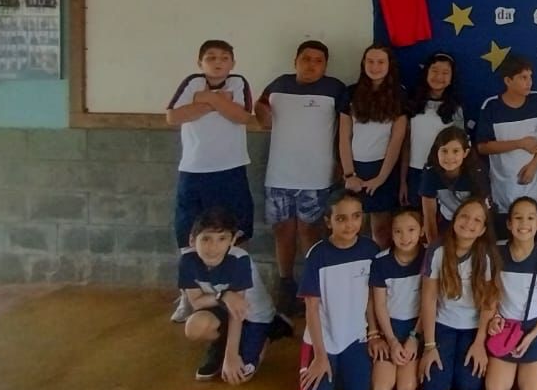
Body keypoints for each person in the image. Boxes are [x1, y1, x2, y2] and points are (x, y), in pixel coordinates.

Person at [255, 40, 348, 316]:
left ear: (326, 66)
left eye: (318, 61)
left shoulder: (335, 89)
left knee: (311, 232)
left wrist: (342, 163)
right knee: (283, 231)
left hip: (317, 176)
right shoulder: (278, 85)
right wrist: (260, 112)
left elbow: (347, 127)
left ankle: (313, 287)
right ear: (295, 61)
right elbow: (261, 112)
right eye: (306, 59)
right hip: (279, 174)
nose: (311, 65)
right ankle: (285, 285)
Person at [165, 39, 254, 323]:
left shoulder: (238, 82)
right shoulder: (192, 82)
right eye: (211, 58)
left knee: (238, 230)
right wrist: (218, 102)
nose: (218, 63)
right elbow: (173, 116)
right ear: (200, 62)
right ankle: (188, 296)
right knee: (188, 233)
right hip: (193, 171)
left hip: (231, 170)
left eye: (224, 58)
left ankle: (239, 292)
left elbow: (242, 116)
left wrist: (207, 100)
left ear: (232, 63)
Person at [296, 191, 382, 390]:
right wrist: (320, 356)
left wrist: (373, 333)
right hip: (323, 340)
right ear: (328, 221)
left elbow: (371, 297)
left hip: (355, 336)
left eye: (356, 216)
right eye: (341, 218)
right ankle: (318, 362)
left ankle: (342, 368)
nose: (350, 224)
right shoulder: (317, 255)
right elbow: (311, 308)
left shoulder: (370, 250)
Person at [177, 208, 285, 383]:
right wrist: (223, 295)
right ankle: (221, 344)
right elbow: (196, 303)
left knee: (241, 376)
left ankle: (270, 330)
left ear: (233, 241)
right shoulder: (187, 261)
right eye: (206, 239)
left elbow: (237, 312)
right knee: (194, 327)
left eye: (222, 239)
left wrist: (231, 356)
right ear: (192, 240)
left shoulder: (240, 260)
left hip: (251, 314)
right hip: (223, 309)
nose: (213, 247)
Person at [418, 197, 502, 390]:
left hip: (472, 327)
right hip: (443, 323)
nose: (469, 223)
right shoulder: (437, 249)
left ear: (482, 230)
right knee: (433, 386)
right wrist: (429, 346)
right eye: (464, 216)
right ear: (454, 219)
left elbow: (489, 302)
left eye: (477, 220)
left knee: (469, 386)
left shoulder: (486, 255)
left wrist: (480, 343)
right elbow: (429, 299)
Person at [485, 197, 537, 390]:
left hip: (535, 330)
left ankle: (535, 363)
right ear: (509, 223)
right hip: (506, 327)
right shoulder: (497, 253)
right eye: (518, 218)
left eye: (530, 218)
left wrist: (532, 336)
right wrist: (494, 317)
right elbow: (490, 292)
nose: (524, 223)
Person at [339, 44, 407, 249]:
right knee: (351, 226)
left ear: (389, 65)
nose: (375, 67)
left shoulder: (400, 94)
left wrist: (381, 178)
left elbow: (397, 140)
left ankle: (379, 266)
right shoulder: (350, 93)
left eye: (380, 62)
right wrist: (349, 174)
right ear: (363, 63)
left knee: (381, 230)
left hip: (384, 168)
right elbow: (344, 137)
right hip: (355, 168)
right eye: (370, 61)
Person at [475, 54, 537, 228]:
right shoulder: (491, 106)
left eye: (530, 77)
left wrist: (534, 165)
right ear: (508, 80)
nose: (529, 82)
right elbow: (482, 147)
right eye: (523, 77)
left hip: (535, 189)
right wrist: (519, 143)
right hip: (504, 190)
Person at [369, 209, 426, 390]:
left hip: (416, 328)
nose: (405, 237)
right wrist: (391, 341)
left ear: (422, 230)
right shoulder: (381, 262)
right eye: (398, 231)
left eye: (411, 230)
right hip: (389, 329)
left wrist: (414, 337)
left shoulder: (429, 257)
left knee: (405, 389)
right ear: (391, 233)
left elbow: (429, 303)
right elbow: (379, 305)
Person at [400, 51, 465, 209]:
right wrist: (403, 181)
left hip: (443, 173)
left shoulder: (456, 108)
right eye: (434, 71)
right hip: (415, 172)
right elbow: (406, 145)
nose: (439, 77)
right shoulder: (412, 104)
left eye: (445, 73)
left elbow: (459, 146)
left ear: (451, 78)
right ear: (426, 73)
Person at [419, 126, 489, 243]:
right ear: (437, 151)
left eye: (455, 151)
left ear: (465, 153)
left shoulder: (476, 173)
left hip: (471, 225)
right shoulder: (431, 173)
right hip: (447, 223)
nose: (449, 157)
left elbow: (480, 215)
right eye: (444, 151)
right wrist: (433, 249)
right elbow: (429, 216)